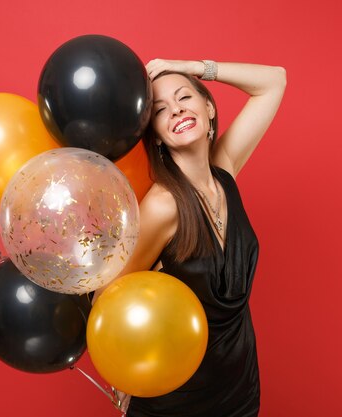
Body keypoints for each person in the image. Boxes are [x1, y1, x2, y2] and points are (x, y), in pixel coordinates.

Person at [105, 58, 286, 417]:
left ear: (209, 108)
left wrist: (190, 66)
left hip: (240, 391)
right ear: (154, 134)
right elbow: (105, 297)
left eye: (184, 97)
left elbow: (274, 81)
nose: (176, 110)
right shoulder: (162, 205)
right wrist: (124, 372)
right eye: (160, 110)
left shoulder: (224, 171)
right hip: (177, 402)